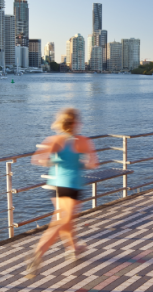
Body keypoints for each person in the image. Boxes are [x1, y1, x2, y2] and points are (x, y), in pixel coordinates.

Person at [26, 108, 98, 278]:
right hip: (72, 186)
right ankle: (38, 253)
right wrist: (80, 164)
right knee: (61, 222)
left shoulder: (54, 139)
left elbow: (37, 159)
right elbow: (93, 164)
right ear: (75, 123)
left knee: (66, 220)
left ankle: (73, 248)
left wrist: (56, 161)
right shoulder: (83, 141)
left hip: (56, 186)